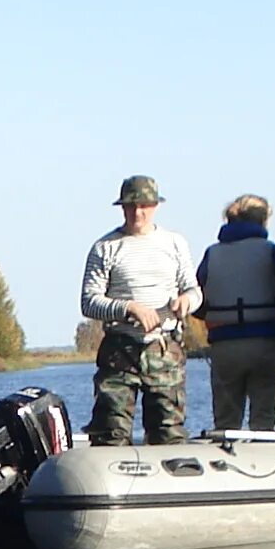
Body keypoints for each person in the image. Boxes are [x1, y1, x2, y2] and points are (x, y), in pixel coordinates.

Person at [79, 176, 202, 446]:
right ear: (122, 208)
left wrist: (186, 302)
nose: (138, 213)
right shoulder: (105, 247)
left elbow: (194, 291)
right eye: (131, 206)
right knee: (110, 433)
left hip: (164, 350)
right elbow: (89, 301)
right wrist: (128, 308)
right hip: (119, 351)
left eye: (144, 206)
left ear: (155, 206)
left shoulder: (174, 243)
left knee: (169, 433)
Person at [195, 194, 275, 431]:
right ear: (263, 221)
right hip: (266, 342)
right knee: (265, 421)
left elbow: (196, 298)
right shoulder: (272, 252)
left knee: (226, 423)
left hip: (224, 346)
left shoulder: (212, 254)